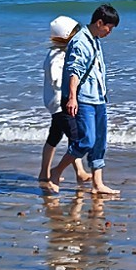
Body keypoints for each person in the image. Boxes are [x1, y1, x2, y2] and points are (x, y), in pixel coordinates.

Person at [50, 3, 120, 195]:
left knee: (99, 142)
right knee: (86, 141)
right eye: (109, 28)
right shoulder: (81, 41)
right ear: (99, 22)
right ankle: (56, 171)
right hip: (83, 99)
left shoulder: (95, 39)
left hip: (98, 97)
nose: (109, 32)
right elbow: (74, 71)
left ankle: (98, 184)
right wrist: (72, 98)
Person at [38, 15, 92, 193]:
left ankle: (44, 173)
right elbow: (56, 78)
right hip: (61, 103)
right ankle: (76, 172)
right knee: (76, 139)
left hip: (55, 104)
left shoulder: (59, 53)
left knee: (54, 137)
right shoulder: (57, 56)